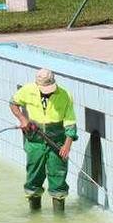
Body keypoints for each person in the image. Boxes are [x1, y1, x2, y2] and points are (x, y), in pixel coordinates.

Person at [10, 68, 78, 212]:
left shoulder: (65, 95)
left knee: (58, 177)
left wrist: (67, 144)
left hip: (57, 141)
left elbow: (70, 121)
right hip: (35, 140)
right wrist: (23, 119)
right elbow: (13, 103)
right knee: (34, 175)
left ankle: (59, 219)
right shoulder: (27, 90)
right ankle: (34, 214)